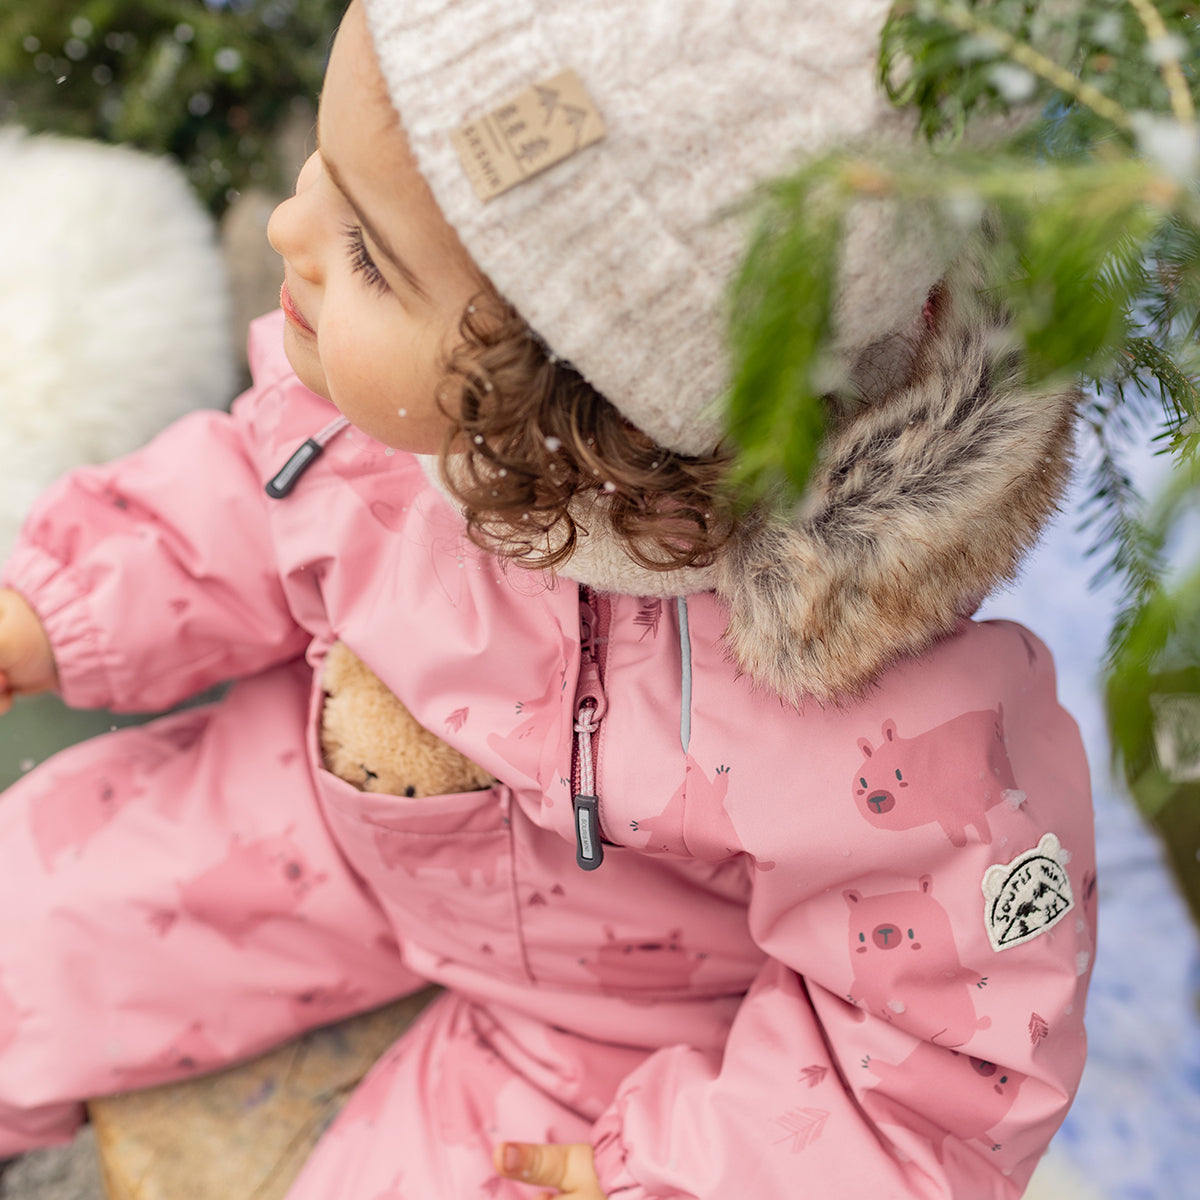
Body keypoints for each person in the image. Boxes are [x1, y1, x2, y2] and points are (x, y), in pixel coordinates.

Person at [0, 0, 1094, 1196]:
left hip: (617, 1022)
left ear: (579, 397)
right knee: (31, 922)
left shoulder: (879, 730)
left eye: (368, 252)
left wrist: (695, 1176)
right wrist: (61, 605)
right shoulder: (388, 418)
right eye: (326, 173)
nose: (287, 225)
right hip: (319, 821)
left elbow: (945, 1056)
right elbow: (253, 487)